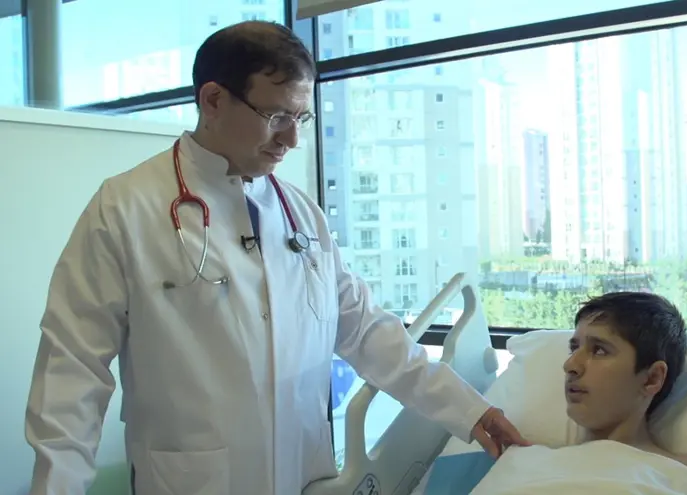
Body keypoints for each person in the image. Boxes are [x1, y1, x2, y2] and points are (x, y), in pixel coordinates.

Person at [24, 20, 528, 495]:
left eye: (300, 118)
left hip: (304, 473)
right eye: (277, 117)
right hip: (192, 480)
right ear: (213, 100)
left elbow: (367, 331)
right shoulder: (125, 208)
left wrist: (470, 410)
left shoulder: (299, 213)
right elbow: (72, 371)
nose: (292, 139)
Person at [563, 292, 687, 495]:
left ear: (652, 379)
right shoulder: (537, 458)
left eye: (599, 350)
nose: (570, 365)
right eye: (574, 349)